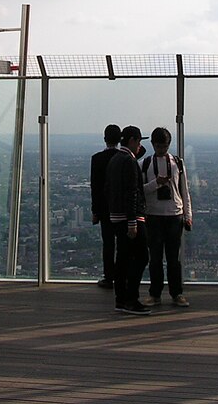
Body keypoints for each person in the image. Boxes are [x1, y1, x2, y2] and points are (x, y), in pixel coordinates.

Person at [140, 127, 192, 308]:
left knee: (173, 258)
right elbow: (141, 191)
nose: (162, 149)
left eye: (164, 146)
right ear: (153, 145)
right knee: (155, 257)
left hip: (173, 215)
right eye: (159, 146)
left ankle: (176, 293)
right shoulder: (145, 164)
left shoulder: (178, 163)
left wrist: (188, 215)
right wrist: (157, 183)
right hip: (154, 215)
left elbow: (184, 190)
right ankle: (155, 294)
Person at [105, 125, 150, 315]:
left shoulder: (115, 159)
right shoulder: (129, 162)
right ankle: (131, 299)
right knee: (140, 257)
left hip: (116, 217)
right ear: (132, 140)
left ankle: (120, 299)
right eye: (138, 141)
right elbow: (132, 193)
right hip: (130, 218)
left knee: (122, 259)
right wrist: (133, 223)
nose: (140, 146)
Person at [90, 124, 121, 289]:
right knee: (123, 244)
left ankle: (109, 277)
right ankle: (123, 276)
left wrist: (95, 211)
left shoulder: (97, 159)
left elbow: (95, 187)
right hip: (122, 208)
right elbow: (142, 151)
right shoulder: (125, 157)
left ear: (104, 139)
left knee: (108, 244)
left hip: (104, 209)